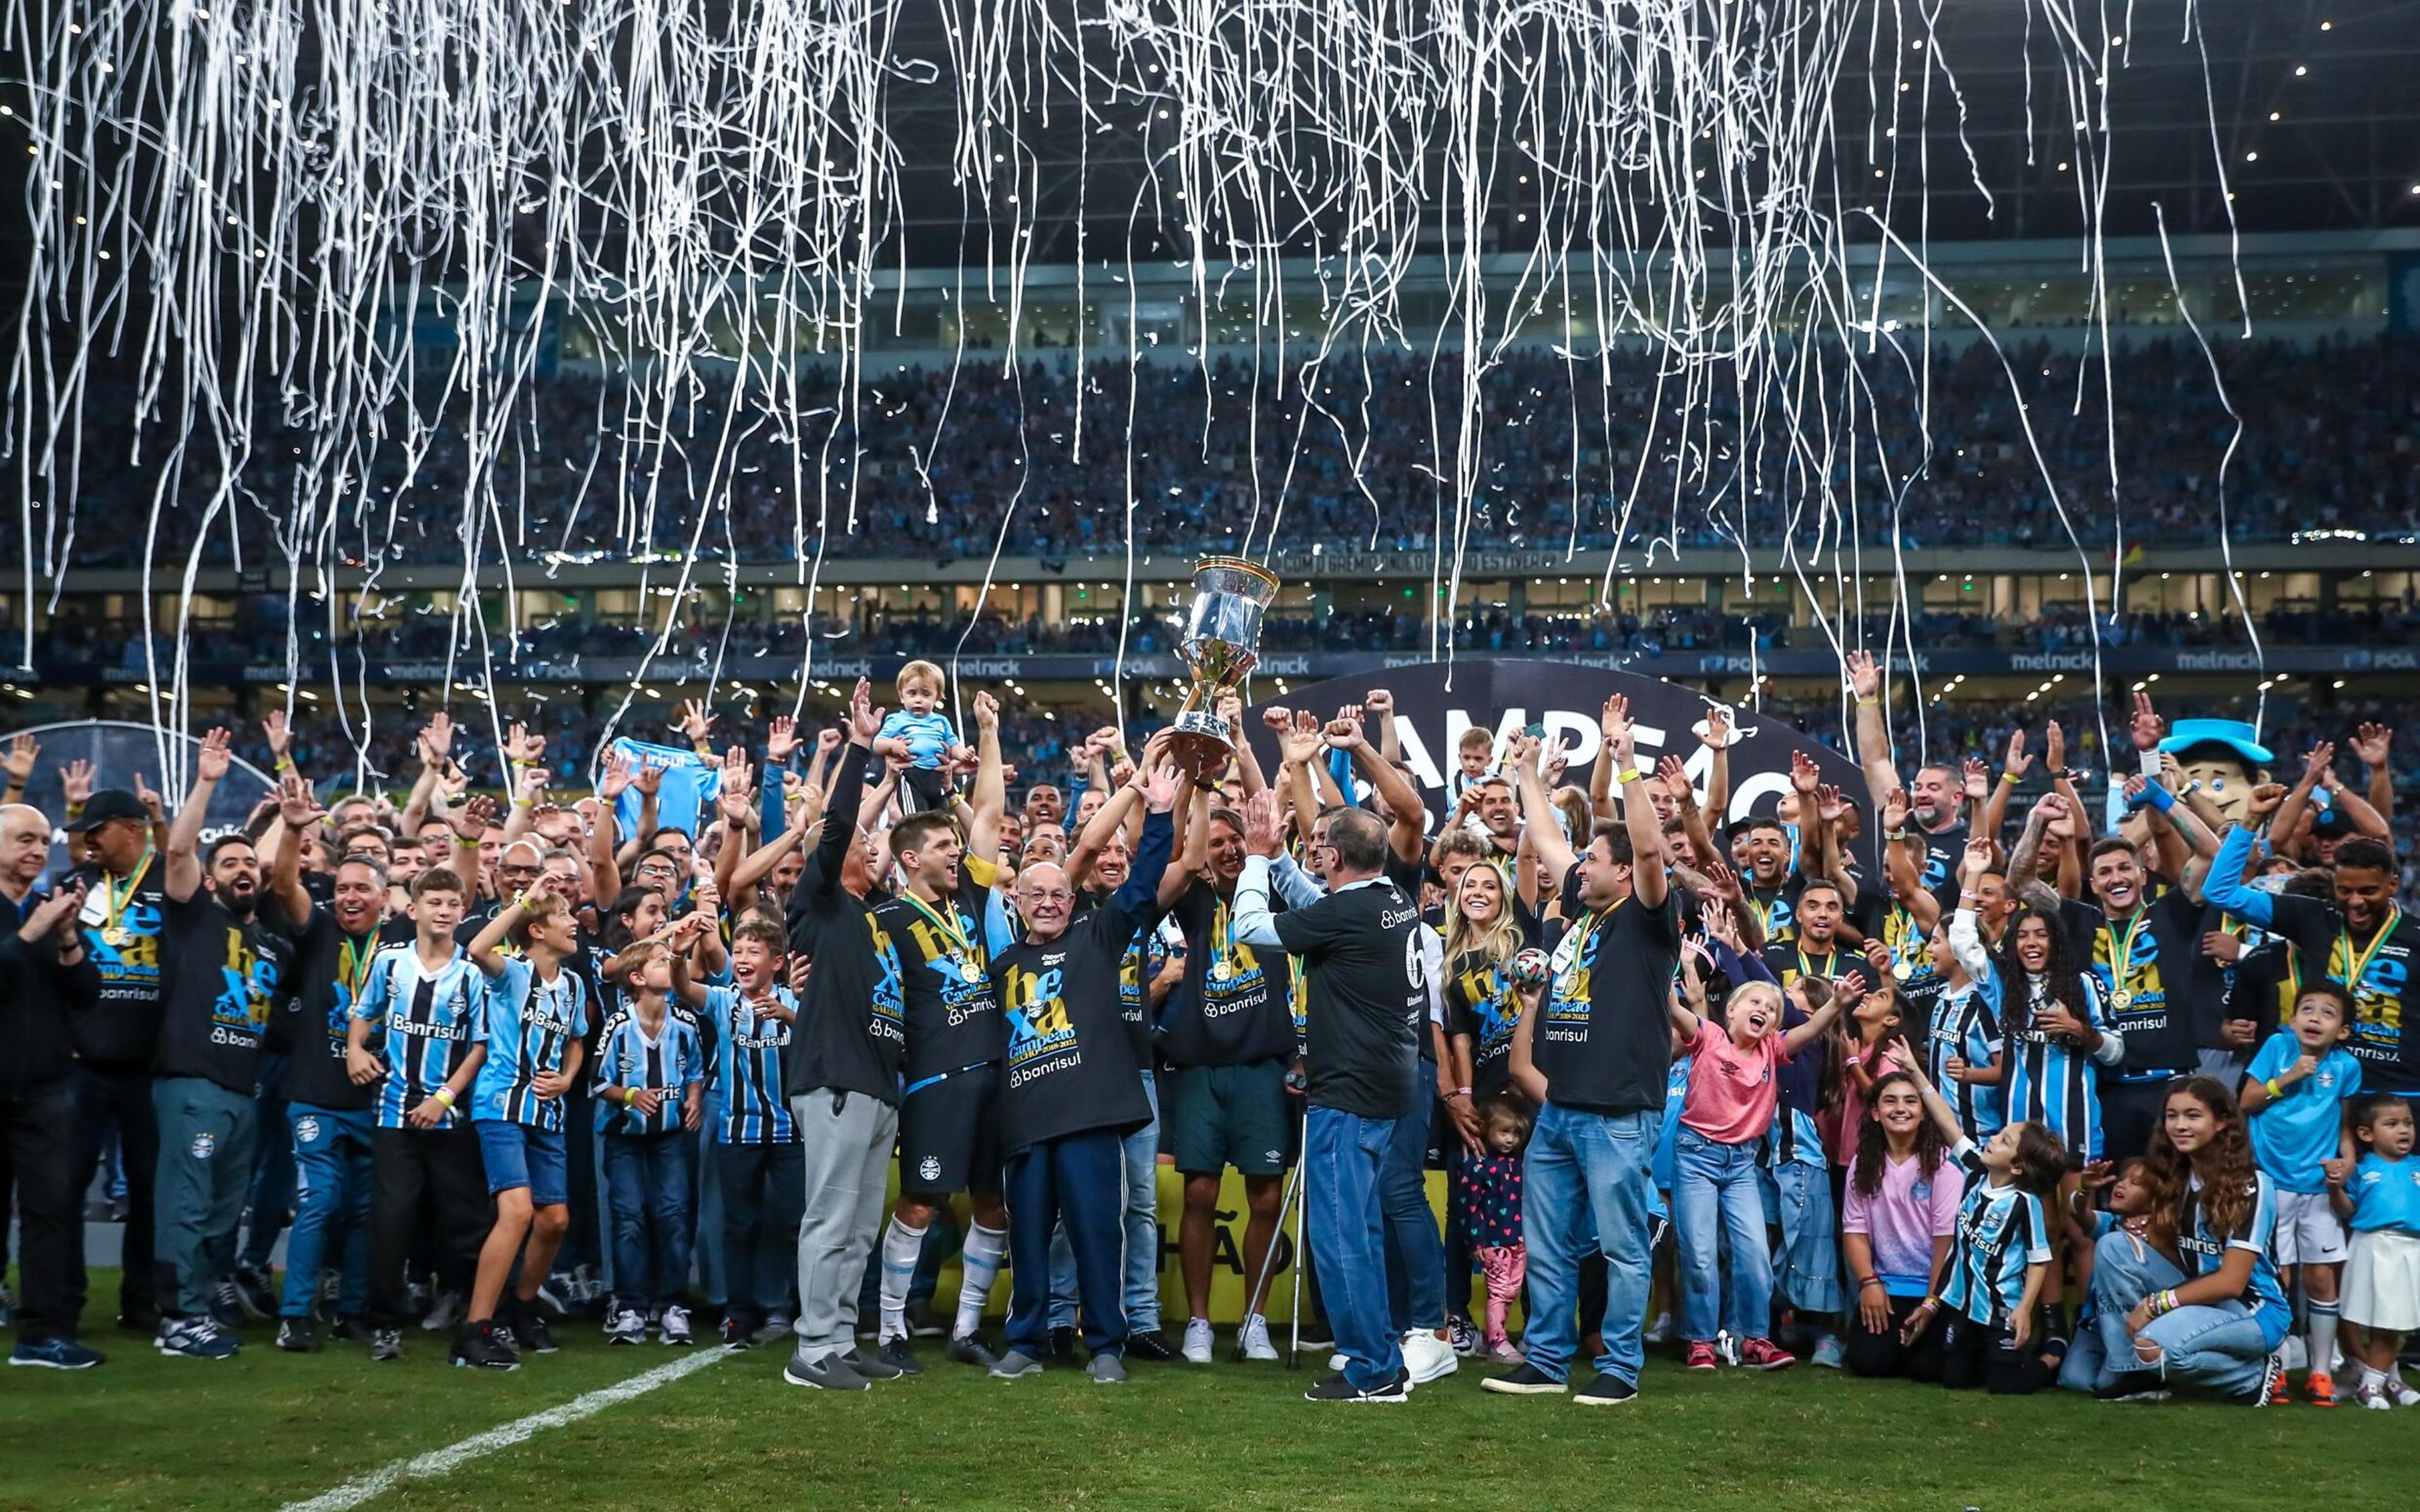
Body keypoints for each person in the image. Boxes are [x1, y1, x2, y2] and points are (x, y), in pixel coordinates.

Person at [1485, 697, 1676, 1406]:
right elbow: (1551, 840)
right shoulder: (1589, 910)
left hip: (1619, 1112)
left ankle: (1620, 1370)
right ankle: (1547, 1359)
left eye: (1596, 859)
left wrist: (1625, 765)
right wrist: (1527, 775)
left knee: (1624, 1247)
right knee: (1552, 1243)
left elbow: (1650, 848)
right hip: (1561, 1108)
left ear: (1622, 873)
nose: (1579, 867)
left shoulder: (1649, 915)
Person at [984, 757, 1178, 1381]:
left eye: (1058, 894)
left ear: (1074, 899)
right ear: (1017, 902)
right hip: (1027, 1122)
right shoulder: (1002, 963)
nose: (1047, 903)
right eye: (1035, 895)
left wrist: (1161, 813)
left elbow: (1146, 880)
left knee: (1099, 1234)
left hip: (1091, 1116)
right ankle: (1027, 1340)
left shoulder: (1098, 936)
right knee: (1031, 1238)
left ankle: (1105, 1346)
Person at [1231, 793, 1427, 1402]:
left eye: (1320, 849)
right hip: (1387, 1085)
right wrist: (1283, 861)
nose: (1312, 854)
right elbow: (1322, 905)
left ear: (1337, 856)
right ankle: (1381, 1359)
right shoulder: (1389, 898)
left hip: (1348, 1092)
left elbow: (1250, 929)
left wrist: (1259, 863)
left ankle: (1372, 1370)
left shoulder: (1352, 913)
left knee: (1342, 1235)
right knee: (1360, 1230)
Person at [870, 690, 1015, 1373]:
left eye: (954, 849)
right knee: (923, 1203)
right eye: (939, 848)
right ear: (907, 860)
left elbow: (987, 812)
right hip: (933, 1080)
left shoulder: (976, 901)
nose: (954, 855)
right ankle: (892, 1329)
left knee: (993, 1205)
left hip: (996, 1073)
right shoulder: (889, 923)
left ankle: (965, 1330)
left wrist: (987, 732)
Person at [150, 733, 300, 1360]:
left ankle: (202, 1302)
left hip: (242, 1086)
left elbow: (283, 872)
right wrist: (208, 781)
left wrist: (285, 827)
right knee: (187, 1200)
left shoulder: (274, 942)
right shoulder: (193, 918)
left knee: (222, 1206)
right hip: (194, 1080)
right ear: (210, 882)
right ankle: (177, 1318)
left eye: (250, 865)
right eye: (230, 864)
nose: (243, 870)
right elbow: (180, 848)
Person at [783, 681, 910, 1393]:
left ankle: (837, 1337)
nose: (869, 844)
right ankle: (811, 1349)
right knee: (831, 1219)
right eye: (864, 841)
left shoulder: (872, 913)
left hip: (874, 1084)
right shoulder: (822, 901)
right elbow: (835, 831)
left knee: (860, 1229)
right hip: (834, 1079)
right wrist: (860, 749)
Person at [1666, 971, 1842, 1372]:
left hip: (1742, 1164)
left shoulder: (1772, 1050)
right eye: (1755, 1002)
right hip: (1696, 1158)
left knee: (1756, 1256)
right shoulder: (1708, 1036)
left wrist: (1838, 1002)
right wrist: (1660, 964)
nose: (1763, 1009)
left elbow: (1815, 1027)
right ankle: (1701, 1341)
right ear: (1731, 1010)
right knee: (1700, 1255)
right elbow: (1674, 1009)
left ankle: (1754, 1340)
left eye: (1772, 1008)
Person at [349, 866, 492, 1363]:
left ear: (463, 911)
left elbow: (479, 1046)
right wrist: (353, 1050)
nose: (444, 911)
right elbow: (363, 1013)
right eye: (434, 903)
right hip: (394, 1114)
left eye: (453, 904)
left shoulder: (471, 973)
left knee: (468, 1222)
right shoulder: (391, 964)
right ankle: (383, 1322)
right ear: (413, 909)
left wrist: (445, 1098)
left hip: (449, 1117)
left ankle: (481, 1320)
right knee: (392, 1221)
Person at [268, 822, 389, 1351]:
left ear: (386, 897)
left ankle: (352, 1312)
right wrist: (294, 829)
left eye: (362, 888)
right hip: (316, 1094)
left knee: (366, 1212)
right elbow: (284, 884)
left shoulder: (402, 943)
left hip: (376, 1101)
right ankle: (294, 1314)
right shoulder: (318, 931)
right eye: (342, 888)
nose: (350, 897)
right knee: (320, 1200)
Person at [460, 888, 592, 1368]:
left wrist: (569, 1078)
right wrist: (526, 899)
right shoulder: (512, 973)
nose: (574, 921)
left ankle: (523, 1306)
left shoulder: (574, 985)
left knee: (554, 1219)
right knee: (516, 1212)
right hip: (501, 1106)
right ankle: (475, 1328)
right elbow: (476, 948)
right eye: (562, 915)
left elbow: (577, 1042)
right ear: (537, 930)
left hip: (547, 1114)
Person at [2204, 822, 2420, 1100]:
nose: (2355, 903)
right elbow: (2219, 892)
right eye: (2345, 891)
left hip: (2400, 1093)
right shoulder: (2314, 918)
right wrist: (2249, 824)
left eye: (2368, 891)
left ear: (2393, 884)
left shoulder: (2415, 937)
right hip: (2321, 1091)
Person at [1891, 1055, 2066, 1394]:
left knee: (2008, 1387)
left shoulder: (2024, 1204)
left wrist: (2026, 1309)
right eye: (1999, 1134)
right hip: (1962, 1306)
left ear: (2017, 1167)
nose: (1993, 1139)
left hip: (2002, 1309)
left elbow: (2039, 1259)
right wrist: (1916, 1074)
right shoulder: (1975, 1172)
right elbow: (1949, 1124)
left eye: (2004, 1141)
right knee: (1953, 1380)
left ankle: (2053, 1355)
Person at [65, 783, 170, 1336]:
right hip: (82, 1064)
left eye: (97, 830)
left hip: (149, 1066)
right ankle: (62, 1301)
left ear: (132, 827)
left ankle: (142, 1301)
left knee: (150, 1190)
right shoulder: (75, 884)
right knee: (64, 1187)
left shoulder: (169, 886)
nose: (86, 841)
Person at [2116, 1076, 2293, 1404]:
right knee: (2114, 1247)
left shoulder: (2251, 1184)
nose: (2180, 1125)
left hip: (2254, 1308)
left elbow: (2231, 1282)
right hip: (2198, 1294)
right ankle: (2128, 1371)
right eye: (2172, 1115)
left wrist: (2155, 1305)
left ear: (2223, 1122)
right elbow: (2179, 1252)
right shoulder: (2176, 1176)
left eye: (2193, 1116)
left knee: (2154, 1346)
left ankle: (2252, 1376)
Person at [0, 804, 102, 1370]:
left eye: (43, 840)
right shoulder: (29, 917)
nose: (38, 850)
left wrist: (65, 938)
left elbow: (87, 993)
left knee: (50, 1210)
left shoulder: (49, 911)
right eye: (24, 839)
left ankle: (41, 1334)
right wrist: (32, 933)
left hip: (44, 1089)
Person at [679, 914, 806, 1349]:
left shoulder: (797, 1000)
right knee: (739, 1226)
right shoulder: (722, 1001)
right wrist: (680, 952)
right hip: (737, 1131)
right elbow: (683, 988)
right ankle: (738, 1316)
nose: (743, 960)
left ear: (777, 962)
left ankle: (804, 1310)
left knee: (798, 1225)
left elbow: (821, 1040)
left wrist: (786, 1014)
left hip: (791, 1132)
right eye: (738, 952)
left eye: (754, 952)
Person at [2240, 982, 2365, 1405]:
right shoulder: (2277, 1047)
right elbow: (2247, 1100)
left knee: (2320, 1275)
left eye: (2327, 1013)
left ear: (2343, 1032)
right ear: (2292, 1020)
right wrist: (2288, 1078)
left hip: (2318, 1187)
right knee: (2278, 1276)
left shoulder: (2347, 1067)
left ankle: (2320, 1372)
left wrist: (2347, 1162)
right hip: (2271, 1182)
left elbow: (2345, 1126)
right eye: (2307, 1009)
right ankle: (2273, 1368)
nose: (2314, 1018)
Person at [594, 936, 706, 1346]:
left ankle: (673, 1305)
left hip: (672, 1135)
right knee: (629, 1219)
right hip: (624, 1138)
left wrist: (693, 1100)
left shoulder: (686, 1024)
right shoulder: (617, 1026)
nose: (670, 965)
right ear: (638, 978)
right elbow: (598, 1079)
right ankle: (630, 1307)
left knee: (674, 1216)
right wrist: (629, 1096)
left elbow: (696, 1069)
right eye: (662, 961)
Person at [1840, 1068, 1959, 1380]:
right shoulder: (1862, 1163)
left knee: (1929, 1369)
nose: (1901, 1109)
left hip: (1935, 1291)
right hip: (1886, 1288)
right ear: (1876, 1113)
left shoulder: (1943, 1164)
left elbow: (1945, 1242)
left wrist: (1932, 1302)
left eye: (1910, 1101)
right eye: (1890, 1102)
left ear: (1923, 1113)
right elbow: (1855, 1231)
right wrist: (1869, 1283)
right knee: (1869, 1363)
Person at [2332, 1092, 2420, 1409]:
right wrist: (2334, 1188)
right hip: (2372, 1245)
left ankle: (2387, 1380)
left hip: (2411, 1248)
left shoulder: (2418, 1167)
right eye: (2392, 1124)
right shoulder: (2361, 1169)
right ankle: (2371, 1385)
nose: (2404, 1131)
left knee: (2396, 1319)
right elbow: (2346, 1210)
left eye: (2408, 1123)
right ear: (2367, 1134)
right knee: (2382, 1320)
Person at [1457, 1094, 1529, 1365]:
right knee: (1498, 1291)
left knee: (1511, 1291)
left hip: (1519, 1239)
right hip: (1495, 1242)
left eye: (1516, 1133)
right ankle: (1499, 1341)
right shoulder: (1478, 1166)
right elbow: (1471, 1207)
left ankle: (1490, 1339)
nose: (1510, 1139)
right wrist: (1477, 1242)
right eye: (1504, 1132)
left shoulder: (1521, 1165)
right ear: (1487, 1129)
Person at [877, 660, 971, 814]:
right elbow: (878, 744)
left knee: (940, 823)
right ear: (902, 696)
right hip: (911, 777)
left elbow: (953, 745)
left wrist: (963, 754)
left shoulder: (942, 721)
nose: (918, 699)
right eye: (912, 693)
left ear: (937, 698)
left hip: (938, 778)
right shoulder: (896, 720)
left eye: (926, 694)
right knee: (918, 821)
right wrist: (893, 746)